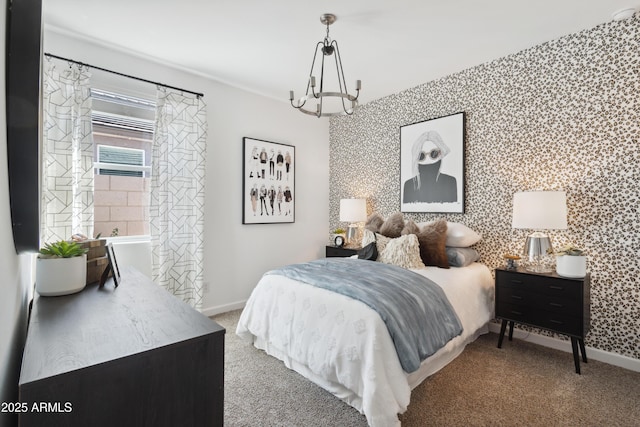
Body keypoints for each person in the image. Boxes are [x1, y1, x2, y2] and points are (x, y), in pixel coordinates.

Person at [402, 130, 457, 203]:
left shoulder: (450, 181)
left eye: (433, 154)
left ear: (440, 154)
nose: (428, 160)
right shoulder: (409, 185)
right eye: (421, 155)